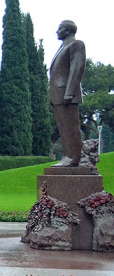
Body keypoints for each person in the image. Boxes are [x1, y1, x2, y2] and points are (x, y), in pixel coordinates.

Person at [50, 20, 86, 167]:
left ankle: (73, 157)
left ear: (68, 30)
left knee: (71, 127)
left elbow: (77, 68)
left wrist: (69, 92)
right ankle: (67, 156)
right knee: (63, 127)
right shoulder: (63, 46)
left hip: (67, 94)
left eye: (60, 28)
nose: (57, 31)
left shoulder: (76, 44)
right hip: (58, 94)